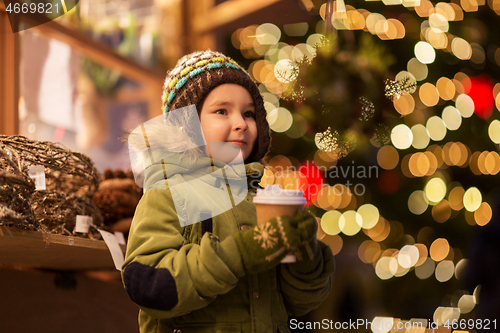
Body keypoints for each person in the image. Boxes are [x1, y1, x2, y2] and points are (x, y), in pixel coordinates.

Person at [122, 50, 335, 333]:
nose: (241, 123)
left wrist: (305, 254)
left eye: (248, 113)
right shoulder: (169, 191)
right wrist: (239, 254)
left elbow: (301, 302)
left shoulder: (261, 198)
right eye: (222, 111)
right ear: (188, 126)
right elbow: (148, 284)